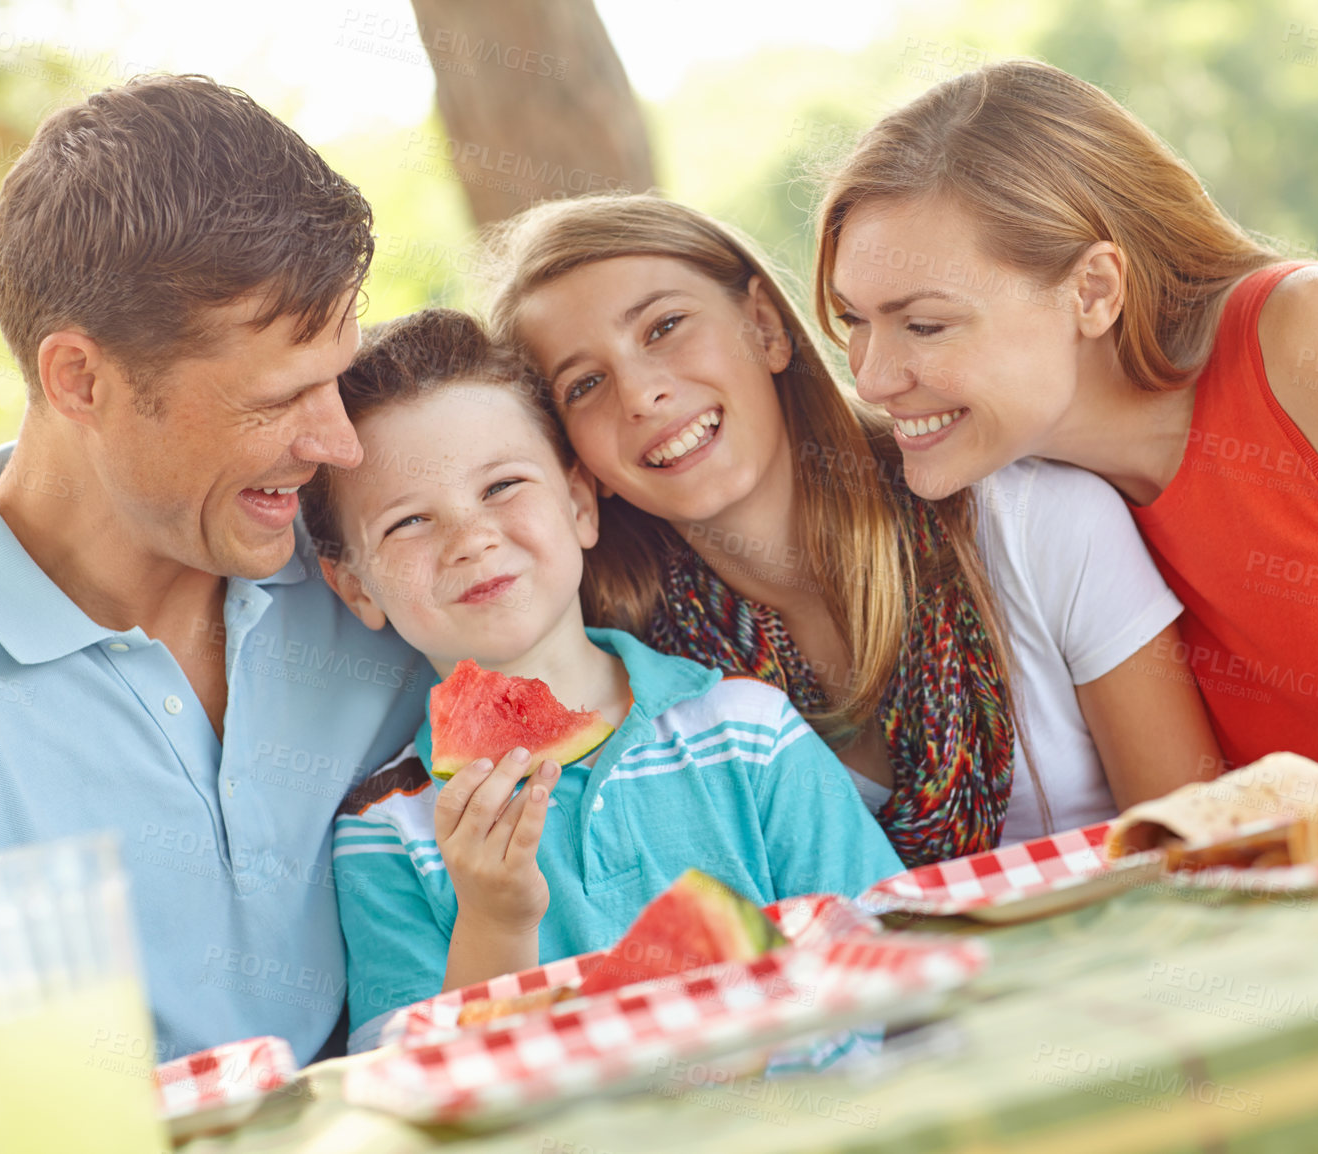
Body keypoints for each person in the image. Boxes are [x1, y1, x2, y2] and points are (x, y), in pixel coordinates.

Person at [813, 59, 1318, 777]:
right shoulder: (1028, 491)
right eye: (854, 320)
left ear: (1094, 291)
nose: (874, 376)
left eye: (925, 324)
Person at [488, 194, 1220, 867]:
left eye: (665, 327)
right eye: (583, 384)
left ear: (766, 329)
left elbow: (1204, 851)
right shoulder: (626, 671)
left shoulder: (1034, 524)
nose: (642, 394)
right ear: (575, 461)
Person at [0, 75, 430, 1063]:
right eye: (279, 397)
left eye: (339, 373)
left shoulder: (379, 570)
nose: (338, 441)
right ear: (80, 378)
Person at [299, 309, 903, 1052]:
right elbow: (432, 1100)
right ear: (354, 587)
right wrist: (493, 920)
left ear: (580, 504)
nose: (472, 538)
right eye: (408, 523)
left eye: (502, 486)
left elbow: (890, 965)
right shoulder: (388, 830)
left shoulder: (748, 734)